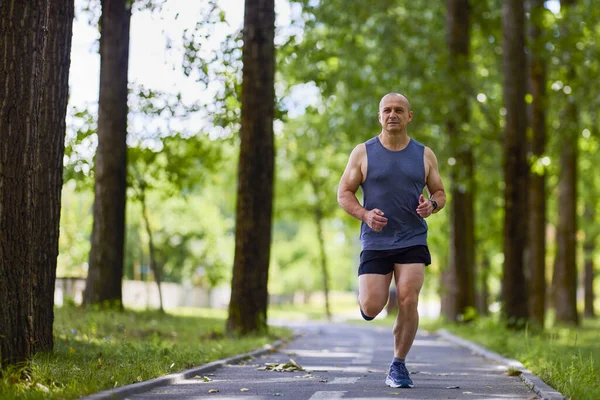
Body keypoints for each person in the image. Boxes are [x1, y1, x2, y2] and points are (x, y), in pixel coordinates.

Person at [337, 92, 446, 388]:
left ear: (409, 116)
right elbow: (344, 193)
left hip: (412, 238)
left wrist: (431, 207)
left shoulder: (424, 154)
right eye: (387, 110)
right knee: (373, 306)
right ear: (379, 116)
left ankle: (398, 364)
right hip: (376, 240)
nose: (392, 115)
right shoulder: (363, 152)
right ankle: (367, 303)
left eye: (399, 110)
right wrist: (364, 214)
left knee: (409, 298)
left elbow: (439, 193)